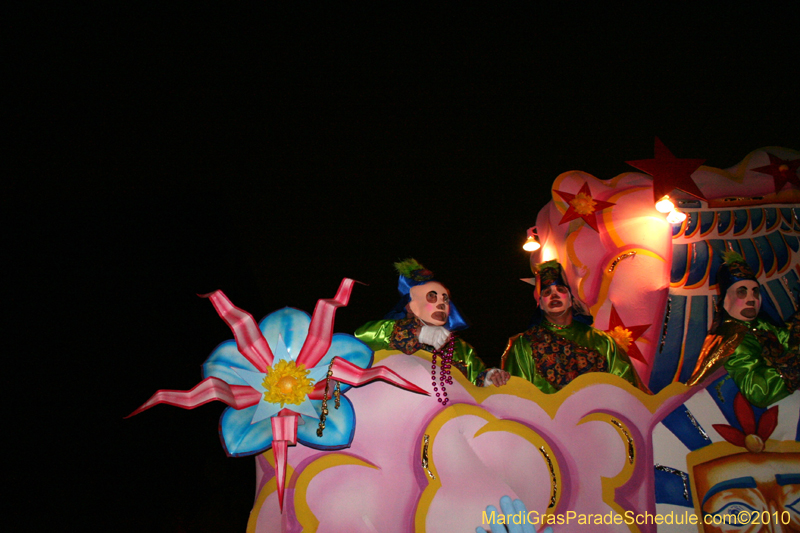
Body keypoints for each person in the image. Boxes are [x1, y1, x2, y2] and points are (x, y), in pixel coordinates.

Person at [355, 259, 509, 404]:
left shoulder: (460, 348)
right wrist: (417, 333)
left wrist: (489, 378)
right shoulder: (391, 331)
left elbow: (475, 379)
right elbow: (361, 337)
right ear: (411, 305)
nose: (441, 304)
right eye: (431, 297)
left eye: (445, 299)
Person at [501, 260, 646, 393]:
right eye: (547, 292)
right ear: (541, 305)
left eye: (560, 290)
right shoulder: (524, 344)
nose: (554, 295)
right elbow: (517, 395)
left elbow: (626, 388)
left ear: (571, 301)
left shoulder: (602, 342)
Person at [687, 251, 799, 407]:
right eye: (742, 292)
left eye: (755, 291)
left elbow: (789, 340)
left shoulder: (763, 325)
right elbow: (758, 392)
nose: (751, 298)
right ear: (727, 298)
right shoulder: (732, 339)